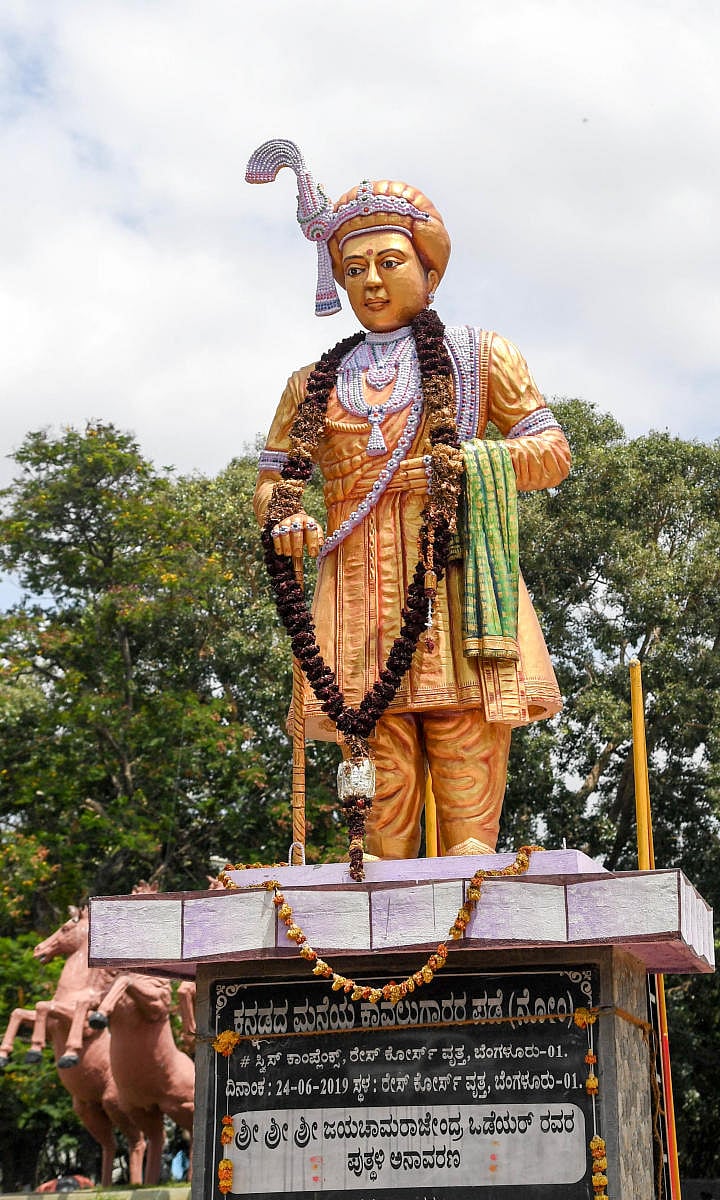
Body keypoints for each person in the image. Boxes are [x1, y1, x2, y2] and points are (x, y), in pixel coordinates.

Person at [250, 143, 571, 861]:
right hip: (355, 598)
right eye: (353, 268)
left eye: (388, 262)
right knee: (377, 772)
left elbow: (552, 451)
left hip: (454, 585)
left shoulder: (480, 355)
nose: (370, 282)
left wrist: (465, 464)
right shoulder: (311, 382)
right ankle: (376, 898)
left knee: (463, 751)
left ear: (429, 268)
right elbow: (271, 483)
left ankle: (473, 891)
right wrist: (285, 515)